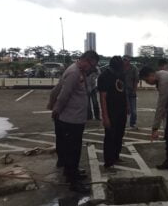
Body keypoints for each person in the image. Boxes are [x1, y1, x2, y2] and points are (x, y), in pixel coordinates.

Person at [52, 50, 99, 194]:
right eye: (92, 65)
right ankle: (74, 182)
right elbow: (64, 94)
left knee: (71, 149)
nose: (92, 68)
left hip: (76, 117)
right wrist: (57, 110)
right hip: (71, 119)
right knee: (73, 150)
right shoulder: (74, 72)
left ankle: (70, 173)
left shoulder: (80, 71)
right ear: (86, 60)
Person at [98, 56, 127, 171]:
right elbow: (103, 97)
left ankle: (116, 156)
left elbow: (123, 91)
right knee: (110, 136)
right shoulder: (104, 76)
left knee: (119, 134)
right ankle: (108, 161)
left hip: (121, 110)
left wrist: (127, 106)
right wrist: (105, 116)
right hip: (111, 111)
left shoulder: (121, 74)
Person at [123, 55, 139, 130]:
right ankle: (122, 123)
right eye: (124, 60)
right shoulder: (121, 68)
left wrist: (134, 90)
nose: (125, 61)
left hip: (131, 90)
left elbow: (136, 80)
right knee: (124, 109)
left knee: (133, 111)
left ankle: (133, 123)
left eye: (126, 60)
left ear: (129, 60)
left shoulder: (134, 68)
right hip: (122, 91)